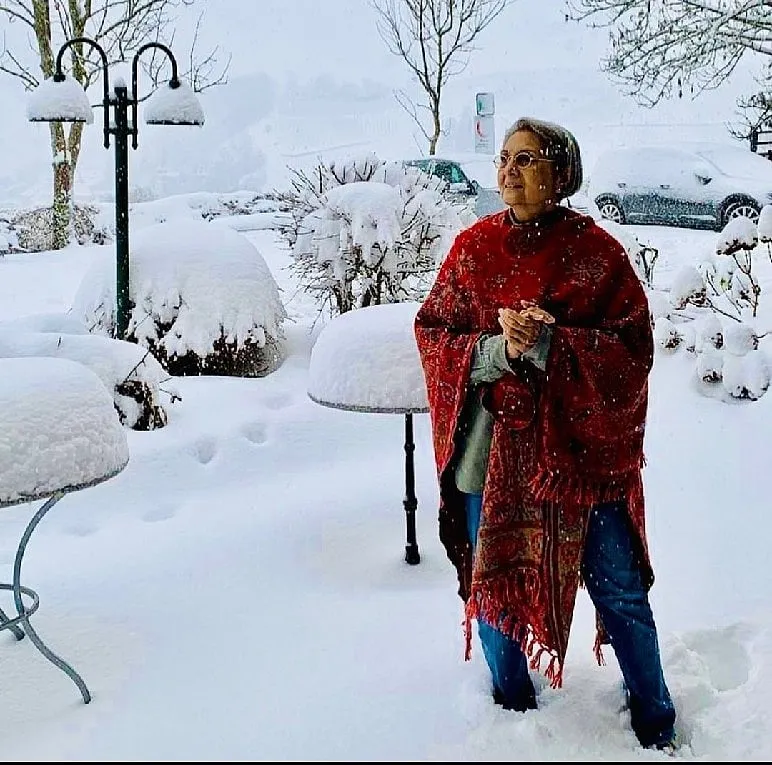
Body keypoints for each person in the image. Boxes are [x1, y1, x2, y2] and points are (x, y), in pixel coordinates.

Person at [413, 117, 677, 753]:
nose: (509, 170)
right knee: (496, 583)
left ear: (561, 172)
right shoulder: (473, 249)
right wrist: (497, 350)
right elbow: (432, 331)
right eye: (504, 158)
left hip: (579, 458)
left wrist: (555, 341)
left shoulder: (598, 255)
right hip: (491, 455)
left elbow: (633, 348)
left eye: (526, 159)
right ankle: (513, 716)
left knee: (618, 587)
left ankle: (656, 718)